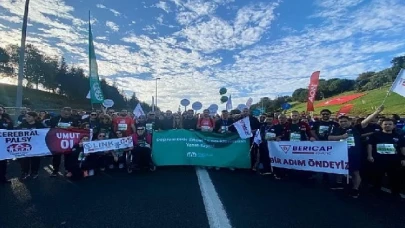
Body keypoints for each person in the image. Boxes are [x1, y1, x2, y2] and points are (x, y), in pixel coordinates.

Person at [367, 118, 405, 198]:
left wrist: (403, 158)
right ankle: (376, 190)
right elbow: (370, 145)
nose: (387, 126)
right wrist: (369, 155)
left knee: (395, 178)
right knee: (377, 176)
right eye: (385, 124)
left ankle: (395, 193)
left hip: (394, 160)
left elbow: (402, 148)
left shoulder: (398, 136)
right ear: (381, 125)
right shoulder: (375, 135)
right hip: (379, 159)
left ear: (394, 126)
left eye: (390, 124)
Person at [49, 107, 78, 177]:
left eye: (68, 113)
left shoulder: (74, 120)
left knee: (68, 156)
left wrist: (73, 128)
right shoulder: (54, 119)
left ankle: (67, 169)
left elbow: (78, 129)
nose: (66, 114)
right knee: (56, 157)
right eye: (65, 113)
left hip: (68, 141)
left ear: (70, 113)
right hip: (57, 141)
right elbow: (49, 129)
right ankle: (55, 170)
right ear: (61, 112)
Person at [17, 111, 45, 180]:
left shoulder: (39, 125)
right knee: (24, 160)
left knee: (35, 160)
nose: (27, 118)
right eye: (26, 116)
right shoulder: (23, 124)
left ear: (34, 117)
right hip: (25, 146)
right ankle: (24, 172)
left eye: (29, 116)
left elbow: (45, 133)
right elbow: (15, 132)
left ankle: (34, 172)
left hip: (36, 146)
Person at [0, 106, 13, 184]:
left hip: (4, 144)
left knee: (3, 163)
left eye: (0, 109)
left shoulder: (7, 120)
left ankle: (3, 178)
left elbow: (11, 131)